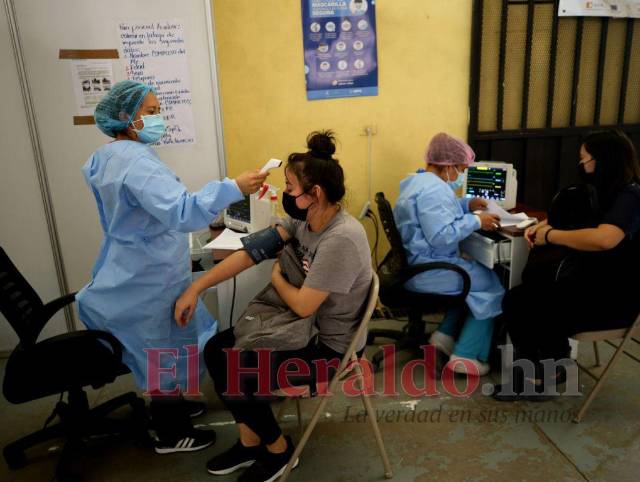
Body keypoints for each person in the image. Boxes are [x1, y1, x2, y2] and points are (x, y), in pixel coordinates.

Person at [76, 80, 268, 453]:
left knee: (169, 341)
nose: (158, 118)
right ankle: (170, 432)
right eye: (150, 112)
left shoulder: (107, 157)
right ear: (125, 117)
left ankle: (174, 406)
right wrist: (234, 187)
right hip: (149, 275)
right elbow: (182, 212)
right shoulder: (138, 163)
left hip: (129, 265)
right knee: (160, 347)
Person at [174, 131, 373, 481]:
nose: (285, 194)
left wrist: (278, 276)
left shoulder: (341, 238)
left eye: (290, 188)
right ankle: (251, 443)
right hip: (299, 328)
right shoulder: (304, 220)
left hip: (329, 347)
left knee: (239, 369)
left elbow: (304, 306)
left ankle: (279, 452)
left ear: (315, 194)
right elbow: (251, 253)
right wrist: (197, 287)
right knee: (217, 350)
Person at [494, 130, 640, 401]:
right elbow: (574, 220)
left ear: (604, 160)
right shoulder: (601, 192)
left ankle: (547, 371)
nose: (581, 165)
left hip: (617, 297)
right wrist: (542, 225)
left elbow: (605, 239)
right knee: (518, 298)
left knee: (537, 305)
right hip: (590, 283)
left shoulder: (630, 197)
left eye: (585, 159)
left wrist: (551, 235)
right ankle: (543, 369)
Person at [393, 132, 505, 376]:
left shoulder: (417, 181)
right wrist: (477, 221)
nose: (460, 175)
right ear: (448, 166)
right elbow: (441, 234)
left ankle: (444, 336)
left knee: (472, 283)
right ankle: (466, 356)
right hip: (430, 270)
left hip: (420, 264)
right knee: (492, 285)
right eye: (461, 169)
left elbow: (438, 213)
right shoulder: (434, 190)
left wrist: (466, 205)